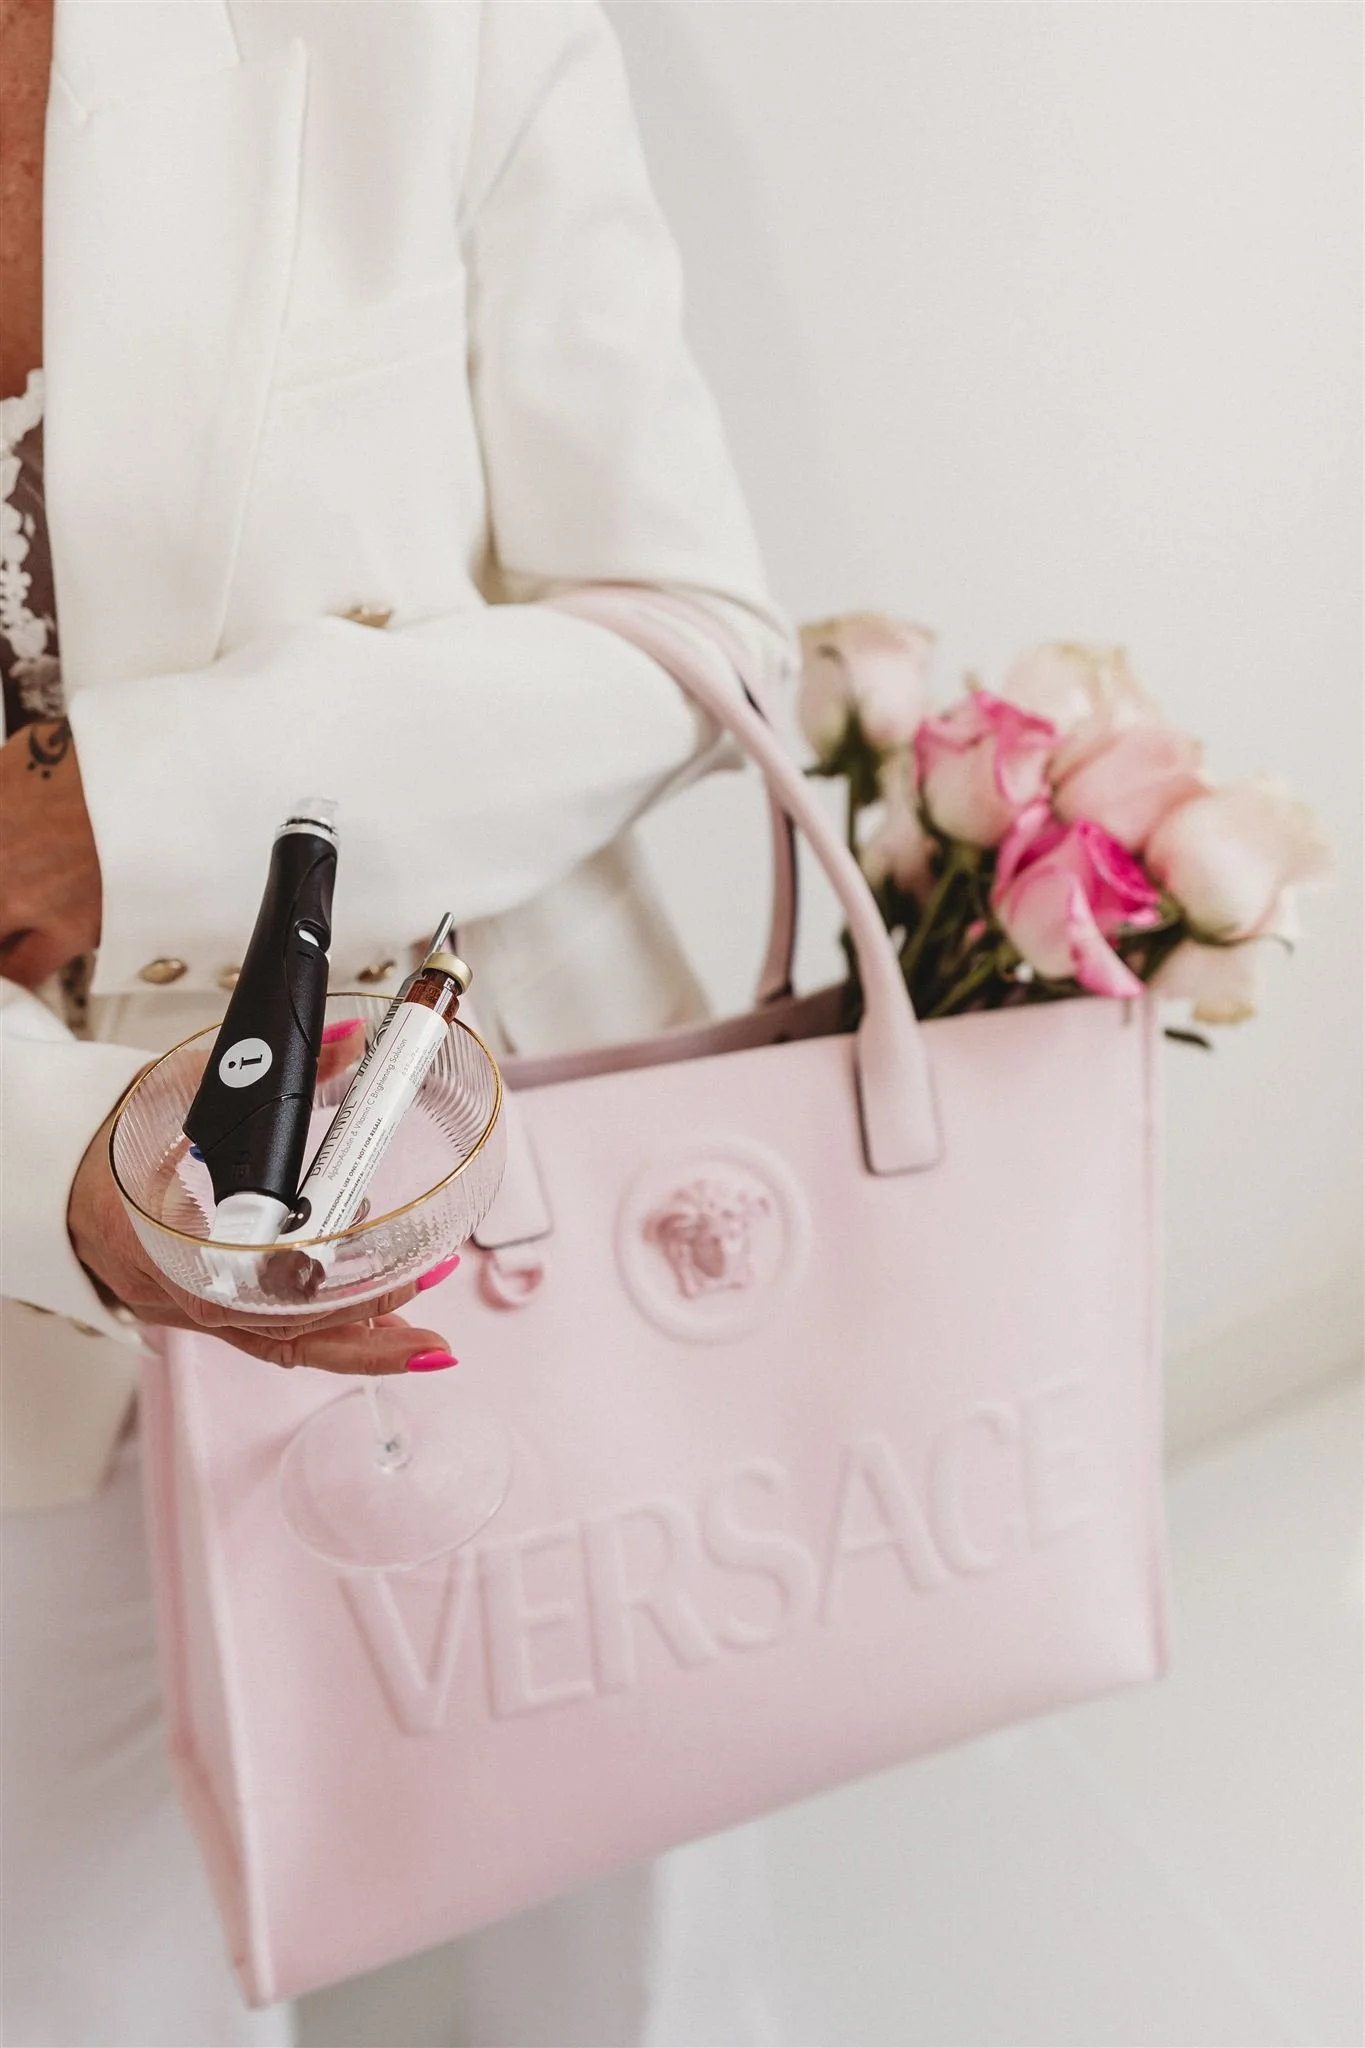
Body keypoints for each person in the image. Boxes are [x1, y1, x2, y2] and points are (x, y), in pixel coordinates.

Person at [0, 1, 796, 2040]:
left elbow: (690, 640)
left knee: (609, 1953)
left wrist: (126, 810)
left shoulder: (428, 21)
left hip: (503, 1221)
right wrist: (65, 1180)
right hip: (25, 1340)